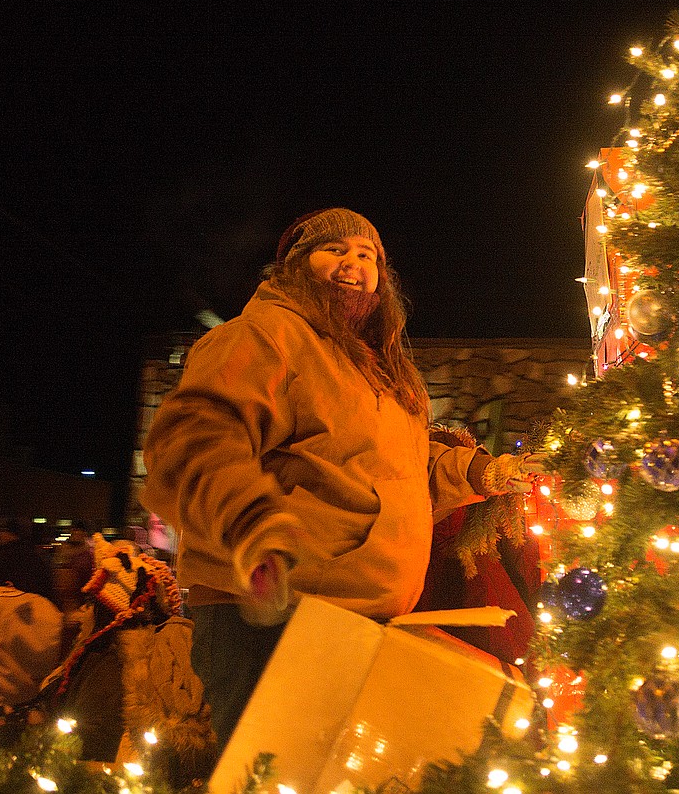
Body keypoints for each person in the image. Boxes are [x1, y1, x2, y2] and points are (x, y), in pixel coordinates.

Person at [140, 208, 544, 750]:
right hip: (274, 613)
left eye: (367, 255)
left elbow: (400, 468)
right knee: (277, 776)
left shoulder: (377, 367)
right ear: (295, 266)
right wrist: (249, 524)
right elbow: (195, 436)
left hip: (363, 619)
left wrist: (485, 471)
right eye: (334, 250)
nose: (354, 263)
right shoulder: (266, 335)